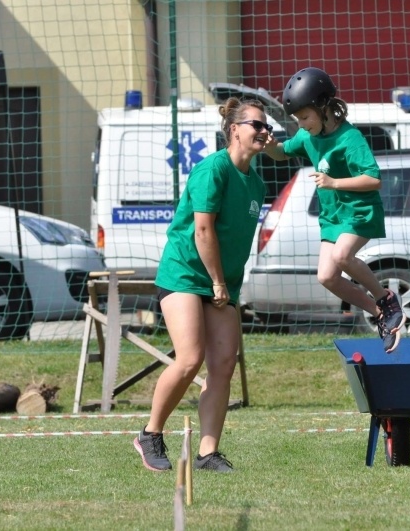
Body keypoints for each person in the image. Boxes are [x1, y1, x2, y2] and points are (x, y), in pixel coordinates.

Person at [133, 98, 268, 473]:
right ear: (234, 130)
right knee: (190, 358)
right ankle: (149, 433)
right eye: (255, 124)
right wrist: (217, 282)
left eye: (265, 125)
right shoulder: (213, 169)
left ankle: (208, 453)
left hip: (222, 282)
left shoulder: (256, 180)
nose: (263, 130)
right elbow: (204, 229)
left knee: (223, 363)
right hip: (187, 274)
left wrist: (226, 284)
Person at [264, 67, 406, 352]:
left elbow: (374, 179)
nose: (301, 124)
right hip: (333, 218)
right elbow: (281, 152)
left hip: (359, 211)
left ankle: (386, 298)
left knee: (342, 256)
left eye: (305, 117)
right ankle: (380, 313)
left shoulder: (349, 139)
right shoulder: (308, 137)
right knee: (326, 277)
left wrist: (334, 181)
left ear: (323, 106)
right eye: (297, 119)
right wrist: (267, 146)